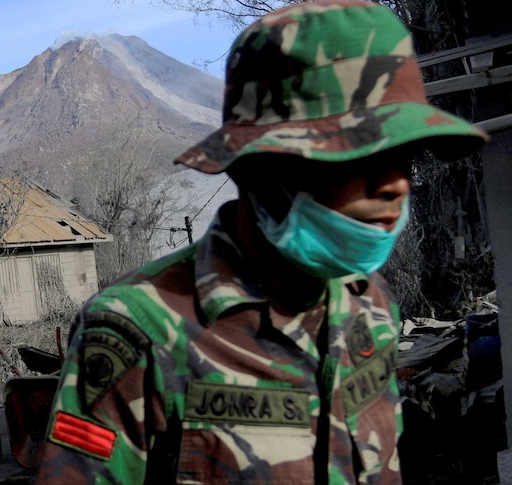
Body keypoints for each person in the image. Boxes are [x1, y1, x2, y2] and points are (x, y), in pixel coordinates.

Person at [36, 1, 488, 483]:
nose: (396, 184)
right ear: (263, 171)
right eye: (360, 156)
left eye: (405, 156)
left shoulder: (370, 308)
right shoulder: (140, 331)